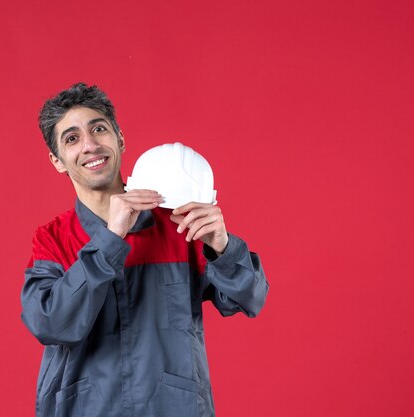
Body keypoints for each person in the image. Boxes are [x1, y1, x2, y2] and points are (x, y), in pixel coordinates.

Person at [21, 82, 269, 417]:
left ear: (120, 139)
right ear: (58, 161)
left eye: (99, 129)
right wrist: (111, 238)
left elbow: (249, 298)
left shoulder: (179, 222)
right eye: (72, 138)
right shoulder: (52, 238)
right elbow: (51, 324)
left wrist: (221, 247)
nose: (90, 145)